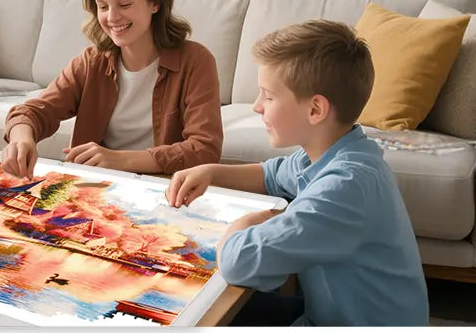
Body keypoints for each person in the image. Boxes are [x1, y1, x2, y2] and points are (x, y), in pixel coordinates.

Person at [164, 20, 428, 326]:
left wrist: (246, 222)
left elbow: (239, 262)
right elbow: (272, 174)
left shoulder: (345, 187)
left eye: (268, 96)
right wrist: (211, 171)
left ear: (315, 110)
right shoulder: (337, 153)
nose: (257, 107)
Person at [0, 0, 223, 177]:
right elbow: (34, 111)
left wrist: (119, 159)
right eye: (103, 7)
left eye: (124, 5)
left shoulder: (195, 61)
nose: (112, 17)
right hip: (97, 186)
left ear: (155, 3)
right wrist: (21, 139)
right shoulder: (92, 62)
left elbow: (204, 150)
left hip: (165, 188)